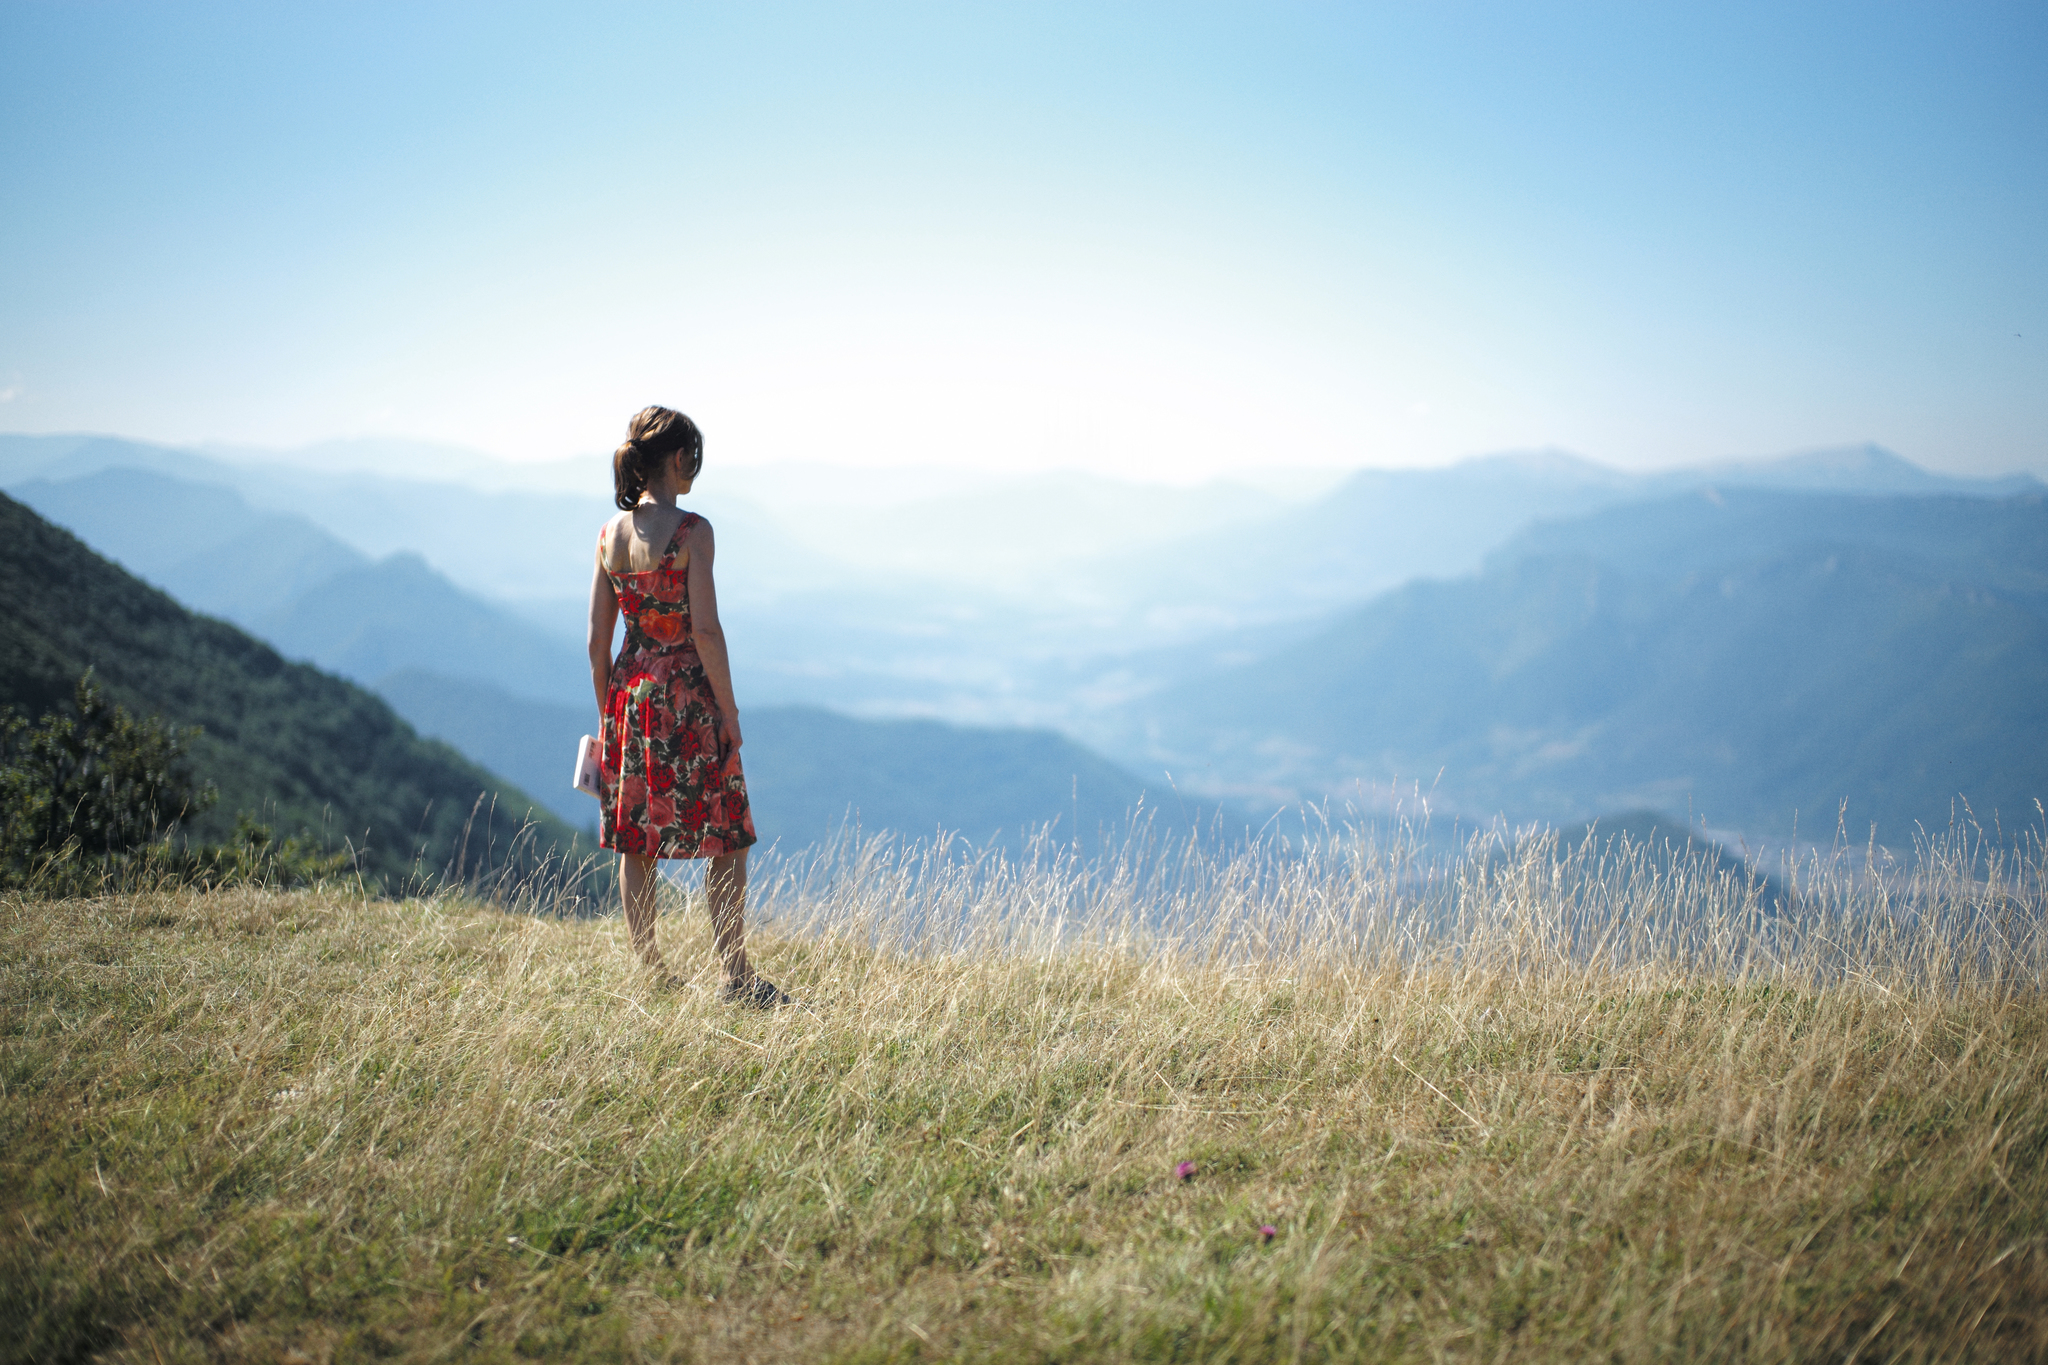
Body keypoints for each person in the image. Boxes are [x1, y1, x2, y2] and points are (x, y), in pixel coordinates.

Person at [587, 405, 790, 1006]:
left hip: (629, 694)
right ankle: (735, 974)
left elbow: (598, 642)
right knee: (726, 835)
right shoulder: (693, 533)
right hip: (686, 696)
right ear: (679, 459)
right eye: (694, 456)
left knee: (634, 840)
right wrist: (728, 713)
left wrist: (608, 719)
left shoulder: (608, 536)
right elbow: (705, 631)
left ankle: (649, 972)